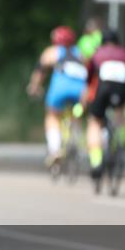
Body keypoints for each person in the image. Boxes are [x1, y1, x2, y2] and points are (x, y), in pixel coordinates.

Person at [27, 25, 88, 167]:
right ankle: (76, 142)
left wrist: (34, 86)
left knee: (52, 116)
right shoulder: (81, 53)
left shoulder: (53, 52)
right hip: (80, 91)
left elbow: (40, 71)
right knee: (77, 115)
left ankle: (55, 151)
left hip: (60, 90)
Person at [83, 28, 125, 178]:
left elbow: (89, 77)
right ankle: (121, 140)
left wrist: (86, 94)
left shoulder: (97, 54)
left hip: (103, 87)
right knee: (120, 113)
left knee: (95, 122)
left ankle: (96, 161)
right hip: (123, 88)